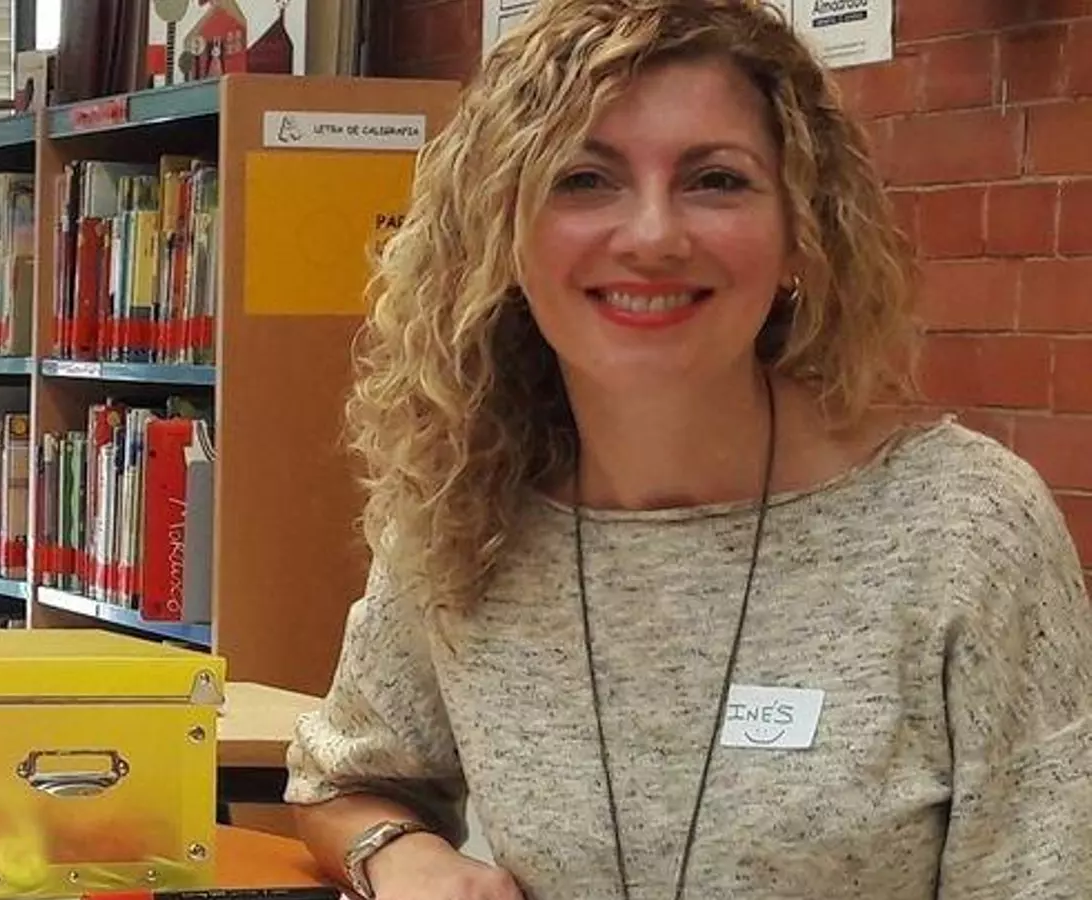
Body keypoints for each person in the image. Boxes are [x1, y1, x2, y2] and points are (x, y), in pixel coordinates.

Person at [282, 1, 1092, 898]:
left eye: (716, 180)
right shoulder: (466, 511)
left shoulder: (964, 531)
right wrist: (403, 855)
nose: (654, 236)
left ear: (802, 231)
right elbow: (340, 780)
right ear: (501, 236)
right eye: (583, 179)